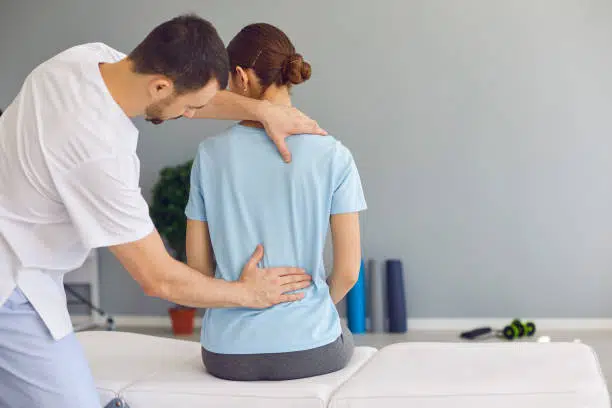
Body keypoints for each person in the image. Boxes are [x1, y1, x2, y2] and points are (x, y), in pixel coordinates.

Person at [0, 14, 326, 408]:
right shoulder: (96, 153)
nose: (191, 116)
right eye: (189, 108)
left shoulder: (84, 62)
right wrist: (249, 293)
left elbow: (189, 95)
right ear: (160, 85)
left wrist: (262, 112)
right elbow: (159, 280)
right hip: (13, 281)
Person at [185, 22, 367, 381]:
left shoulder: (208, 156)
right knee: (343, 338)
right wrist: (306, 312)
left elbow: (200, 271)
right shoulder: (333, 154)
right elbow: (347, 273)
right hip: (309, 349)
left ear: (240, 77)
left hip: (226, 355)